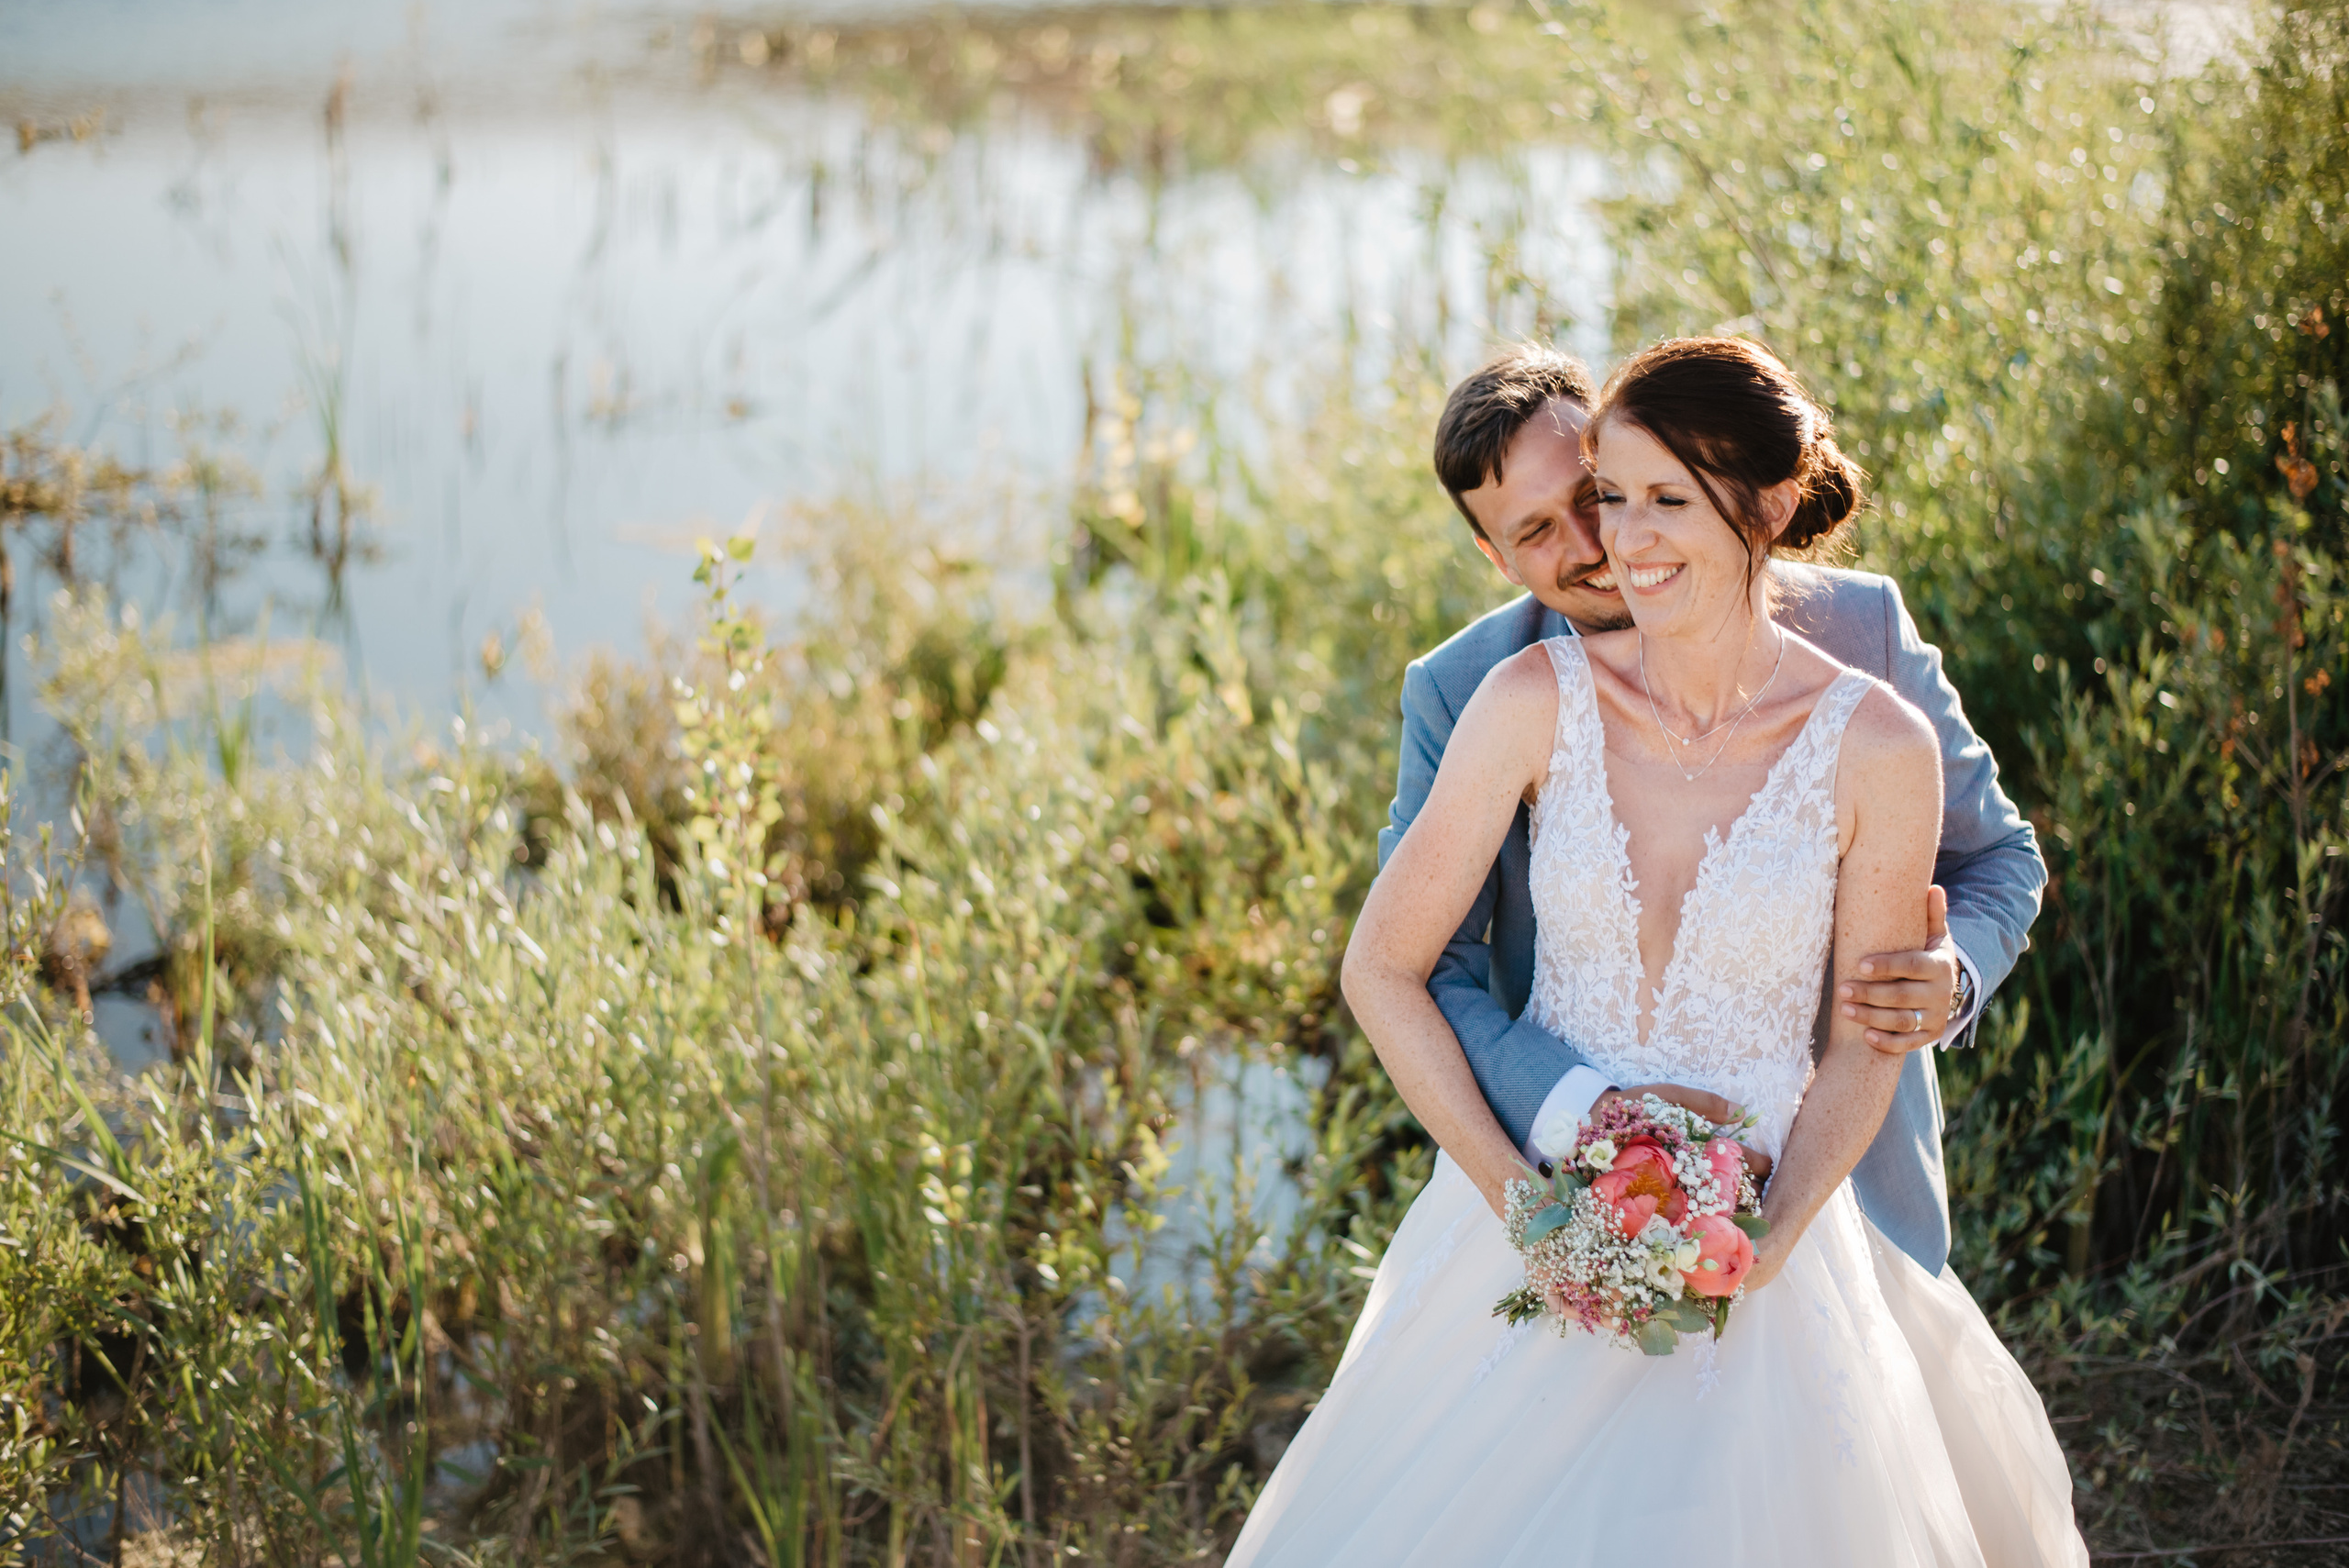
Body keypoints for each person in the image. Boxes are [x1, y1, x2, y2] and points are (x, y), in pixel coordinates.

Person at [1226, 339, 2085, 1565]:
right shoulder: (1494, 691)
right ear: (1495, 556)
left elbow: (1995, 864)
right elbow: (1419, 967)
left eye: (1615, 488)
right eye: (1551, 528)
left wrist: (1931, 990)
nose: (1606, 540)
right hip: (1564, 1187)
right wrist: (1567, 1169)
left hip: (1814, 1195)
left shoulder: (1859, 660)